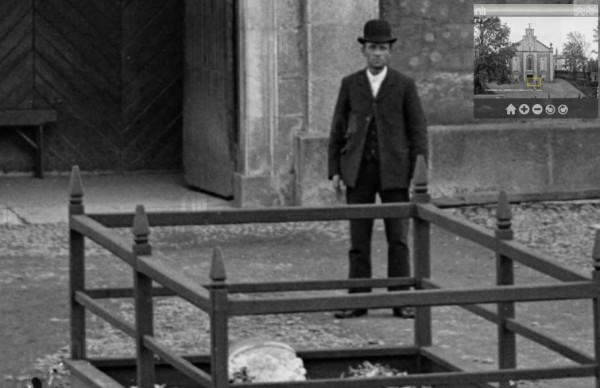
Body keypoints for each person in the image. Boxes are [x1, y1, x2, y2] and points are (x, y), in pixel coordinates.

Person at [327, 19, 428, 319]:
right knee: (359, 239)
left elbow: (418, 131)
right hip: (358, 171)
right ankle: (358, 299)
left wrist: (419, 173)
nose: (377, 54)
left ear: (390, 52)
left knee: (397, 238)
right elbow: (339, 127)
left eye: (383, 48)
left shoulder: (404, 85)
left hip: (395, 172)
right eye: (372, 48)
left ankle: (401, 299)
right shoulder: (351, 84)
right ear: (363, 50)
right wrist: (335, 169)